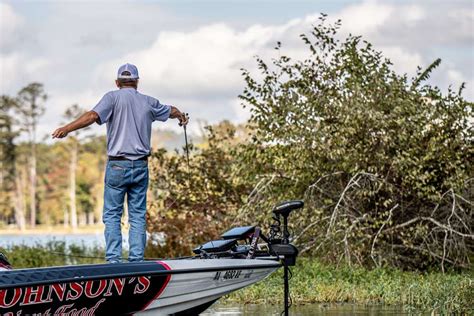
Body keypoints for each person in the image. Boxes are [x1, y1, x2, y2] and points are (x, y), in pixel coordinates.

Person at [52, 63, 188, 263]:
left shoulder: (112, 98)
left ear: (118, 82)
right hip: (140, 166)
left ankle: (114, 261)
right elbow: (172, 110)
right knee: (138, 216)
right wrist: (181, 117)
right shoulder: (148, 101)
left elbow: (91, 116)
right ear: (136, 82)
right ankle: (136, 261)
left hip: (117, 166)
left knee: (113, 216)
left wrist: (66, 128)